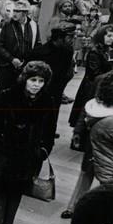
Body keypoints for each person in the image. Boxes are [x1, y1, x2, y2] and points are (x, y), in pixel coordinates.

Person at [0, 61, 53, 224]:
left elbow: (49, 129)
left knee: (16, 191)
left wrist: (43, 150)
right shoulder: (8, 95)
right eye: (33, 80)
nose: (36, 85)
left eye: (41, 81)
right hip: (5, 152)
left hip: (28, 155)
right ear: (25, 79)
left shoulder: (48, 100)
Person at [31, 22, 77, 151]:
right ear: (59, 37)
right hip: (40, 91)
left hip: (56, 90)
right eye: (70, 37)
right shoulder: (40, 52)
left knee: (52, 114)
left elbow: (66, 71)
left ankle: (48, 136)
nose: (72, 40)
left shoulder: (67, 51)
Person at [69, 24, 113, 129]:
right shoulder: (95, 51)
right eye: (109, 36)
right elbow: (94, 72)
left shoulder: (108, 50)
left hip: (100, 84)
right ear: (102, 36)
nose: (111, 38)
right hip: (91, 86)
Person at [0, 0, 40, 93]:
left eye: (18, 11)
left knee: (18, 94)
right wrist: (11, 59)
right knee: (2, 94)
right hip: (6, 67)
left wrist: (28, 61)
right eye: (14, 10)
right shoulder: (6, 24)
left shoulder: (34, 25)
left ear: (25, 13)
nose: (14, 13)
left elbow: (37, 45)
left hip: (24, 67)